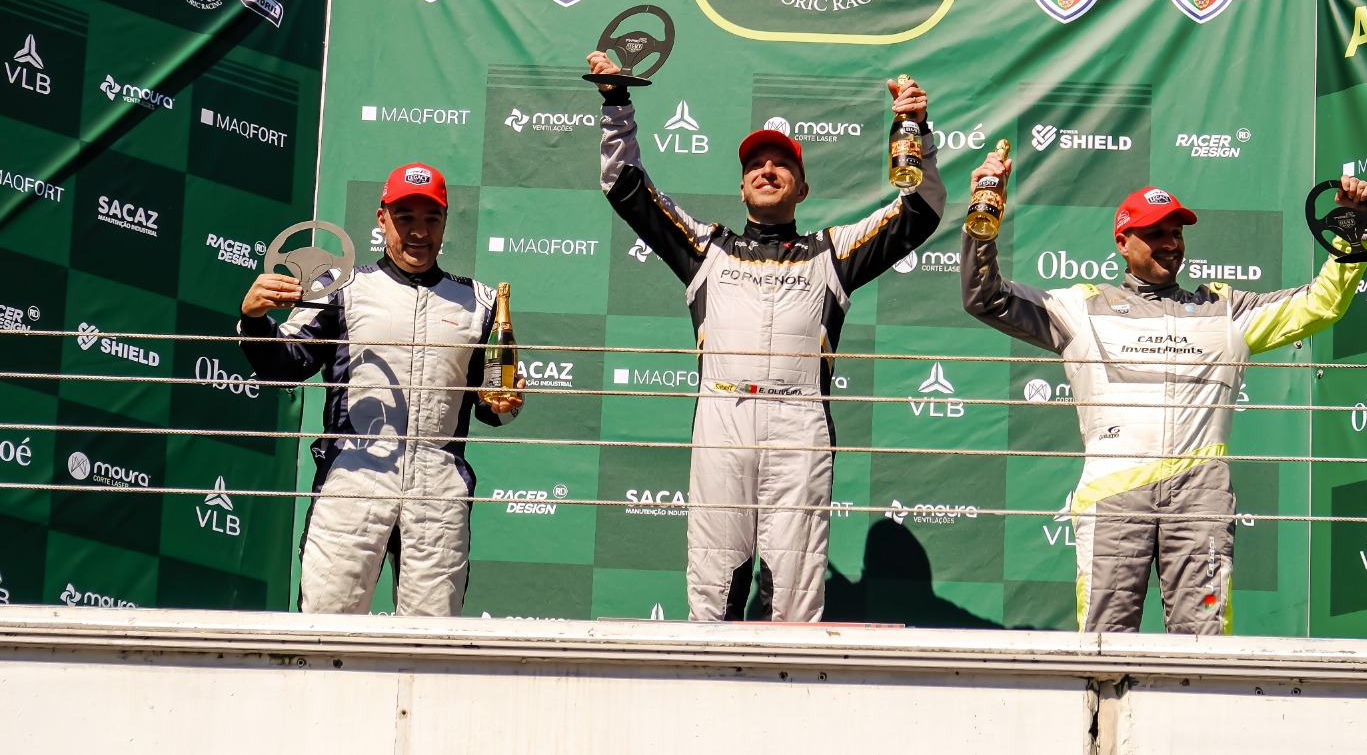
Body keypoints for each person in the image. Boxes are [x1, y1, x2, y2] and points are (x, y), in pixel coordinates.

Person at [588, 53, 946, 622]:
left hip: (800, 424)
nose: (768, 170)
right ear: (741, 186)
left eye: (782, 164)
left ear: (802, 189)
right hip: (722, 419)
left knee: (794, 593)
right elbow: (626, 187)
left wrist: (917, 133)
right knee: (714, 586)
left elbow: (920, 212)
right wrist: (616, 102)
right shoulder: (705, 248)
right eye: (756, 164)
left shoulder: (834, 253)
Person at [961, 165, 1367, 635]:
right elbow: (985, 297)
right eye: (1155, 233)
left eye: (1176, 233)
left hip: (1200, 497)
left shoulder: (1225, 310)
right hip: (1113, 495)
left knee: (1204, 641)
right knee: (1104, 640)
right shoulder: (1082, 307)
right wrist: (983, 210)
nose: (1170, 243)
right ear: (1123, 242)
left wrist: (1353, 230)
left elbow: (1321, 303)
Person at [237, 162, 521, 616]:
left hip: (438, 490)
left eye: (431, 218)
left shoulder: (480, 302)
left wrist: (507, 402)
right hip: (353, 479)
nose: (419, 232)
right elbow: (286, 365)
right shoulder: (341, 287)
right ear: (382, 218)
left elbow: (491, 407)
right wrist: (254, 321)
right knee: (327, 630)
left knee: (430, 642)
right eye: (405, 217)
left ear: (445, 221)